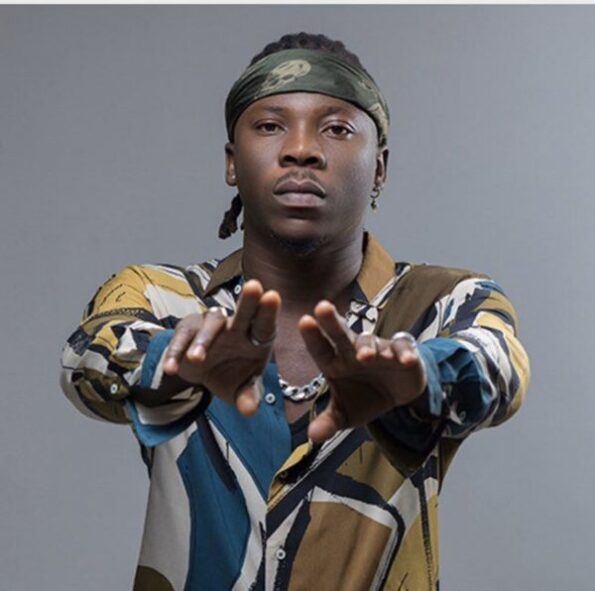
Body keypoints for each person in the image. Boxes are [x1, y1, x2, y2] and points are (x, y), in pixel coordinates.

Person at [60, 32, 530, 591]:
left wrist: (418, 377)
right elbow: (87, 359)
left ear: (379, 168)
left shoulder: (444, 301)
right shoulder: (165, 297)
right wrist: (176, 361)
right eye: (269, 126)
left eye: (336, 129)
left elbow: (497, 366)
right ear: (232, 163)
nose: (301, 149)